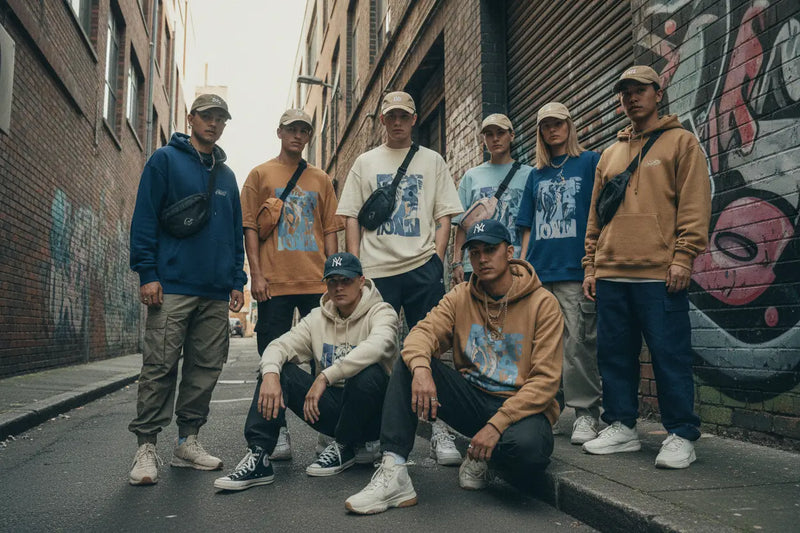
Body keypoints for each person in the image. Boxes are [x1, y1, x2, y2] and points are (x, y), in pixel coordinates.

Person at [345, 219, 563, 514]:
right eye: (474, 252)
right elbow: (420, 335)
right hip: (472, 400)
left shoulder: (543, 304)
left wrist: (496, 426)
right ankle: (393, 470)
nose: (482, 259)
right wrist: (422, 370)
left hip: (519, 409)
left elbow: (545, 382)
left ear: (509, 252)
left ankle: (483, 458)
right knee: (409, 363)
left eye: (490, 249)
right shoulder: (460, 297)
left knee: (529, 453)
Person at [581, 66, 711, 469]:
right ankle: (621, 425)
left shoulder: (681, 143)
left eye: (640, 90)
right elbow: (595, 217)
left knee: (669, 355)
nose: (632, 98)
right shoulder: (610, 154)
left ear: (659, 92)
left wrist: (683, 256)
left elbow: (694, 205)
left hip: (659, 274)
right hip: (612, 272)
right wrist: (591, 265)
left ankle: (681, 434)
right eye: (625, 92)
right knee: (614, 356)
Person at [336, 91, 464, 465]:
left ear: (414, 119)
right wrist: (357, 267)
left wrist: (436, 259)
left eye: (403, 117)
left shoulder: (432, 160)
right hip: (377, 272)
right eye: (390, 117)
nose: (397, 123)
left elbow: (445, 215)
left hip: (422, 267)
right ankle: (375, 431)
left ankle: (439, 426)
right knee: (377, 351)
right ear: (381, 120)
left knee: (434, 348)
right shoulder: (365, 161)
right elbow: (351, 217)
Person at [128, 94, 246, 485]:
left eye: (220, 118)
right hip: (172, 285)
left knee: (205, 368)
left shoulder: (227, 176)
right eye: (207, 116)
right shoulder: (164, 160)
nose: (213, 123)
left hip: (214, 291)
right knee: (160, 365)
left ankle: (187, 442)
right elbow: (144, 217)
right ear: (191, 118)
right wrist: (147, 273)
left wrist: (236, 280)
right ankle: (146, 447)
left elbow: (233, 233)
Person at [213, 253, 398, 490]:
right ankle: (259, 455)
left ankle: (345, 444)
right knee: (279, 371)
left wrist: (325, 376)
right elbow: (279, 345)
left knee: (368, 373)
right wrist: (270, 374)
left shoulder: (382, 312)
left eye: (346, 280)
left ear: (361, 281)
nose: (339, 287)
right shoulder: (317, 318)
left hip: (374, 415)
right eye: (332, 282)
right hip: (335, 411)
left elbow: (379, 345)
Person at [238, 108, 344, 461]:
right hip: (275, 283)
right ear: (279, 132)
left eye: (304, 130)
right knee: (273, 358)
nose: (298, 135)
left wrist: (333, 278)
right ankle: (277, 429)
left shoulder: (321, 179)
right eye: (292, 129)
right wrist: (257, 274)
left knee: (324, 359)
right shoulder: (259, 174)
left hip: (316, 281)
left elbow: (330, 232)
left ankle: (326, 430)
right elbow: (250, 227)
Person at [517, 102, 602, 445]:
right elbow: (526, 228)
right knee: (542, 348)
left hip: (574, 269)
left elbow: (601, 215)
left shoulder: (590, 163)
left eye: (558, 123)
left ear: (569, 125)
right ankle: (545, 410)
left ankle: (585, 414)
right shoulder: (535, 175)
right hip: (540, 271)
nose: (552, 130)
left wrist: (593, 264)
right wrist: (522, 270)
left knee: (579, 345)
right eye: (546, 126)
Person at [451, 113, 532, 284]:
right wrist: (457, 261)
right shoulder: (471, 176)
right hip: (475, 265)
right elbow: (462, 224)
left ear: (512, 135)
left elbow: (529, 226)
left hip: (513, 261)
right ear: (484, 139)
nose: (495, 139)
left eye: (500, 133)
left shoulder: (529, 174)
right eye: (489, 134)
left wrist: (524, 261)